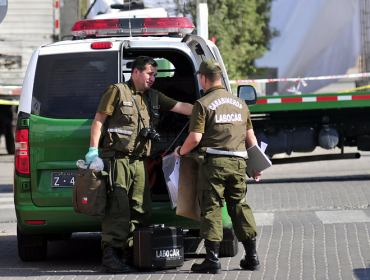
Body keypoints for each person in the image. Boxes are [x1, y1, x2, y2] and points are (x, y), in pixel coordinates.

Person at [86, 56, 193, 273]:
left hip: (140, 163)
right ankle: (110, 256)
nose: (152, 78)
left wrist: (209, 109)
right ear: (135, 72)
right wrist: (93, 150)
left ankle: (130, 254)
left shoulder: (153, 96)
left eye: (154, 74)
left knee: (141, 209)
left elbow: (182, 107)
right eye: (149, 74)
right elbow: (99, 120)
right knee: (118, 209)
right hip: (117, 161)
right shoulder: (117, 91)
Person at [174, 59, 262, 274]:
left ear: (203, 78)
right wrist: (257, 165)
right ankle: (252, 257)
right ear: (220, 77)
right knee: (239, 206)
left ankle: (212, 260)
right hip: (238, 164)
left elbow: (194, 138)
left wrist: (180, 152)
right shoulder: (240, 103)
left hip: (214, 165)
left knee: (212, 207)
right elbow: (252, 140)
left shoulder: (202, 104)